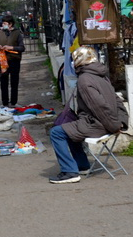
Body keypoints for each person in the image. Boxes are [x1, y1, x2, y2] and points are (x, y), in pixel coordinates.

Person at [47, 46, 128, 184]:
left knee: (56, 132)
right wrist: (122, 121)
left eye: (74, 59)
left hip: (98, 124)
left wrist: (115, 125)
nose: (72, 63)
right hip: (104, 122)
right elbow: (117, 101)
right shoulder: (101, 75)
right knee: (68, 130)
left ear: (79, 61)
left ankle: (69, 171)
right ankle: (82, 165)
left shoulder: (85, 79)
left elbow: (100, 108)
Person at [0, 13, 25, 107]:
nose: (3, 25)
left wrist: (11, 48)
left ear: (10, 24)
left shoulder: (17, 33)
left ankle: (14, 102)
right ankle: (5, 103)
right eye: (3, 23)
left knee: (14, 82)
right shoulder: (0, 33)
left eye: (5, 23)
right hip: (2, 61)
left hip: (14, 60)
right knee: (3, 82)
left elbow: (22, 48)